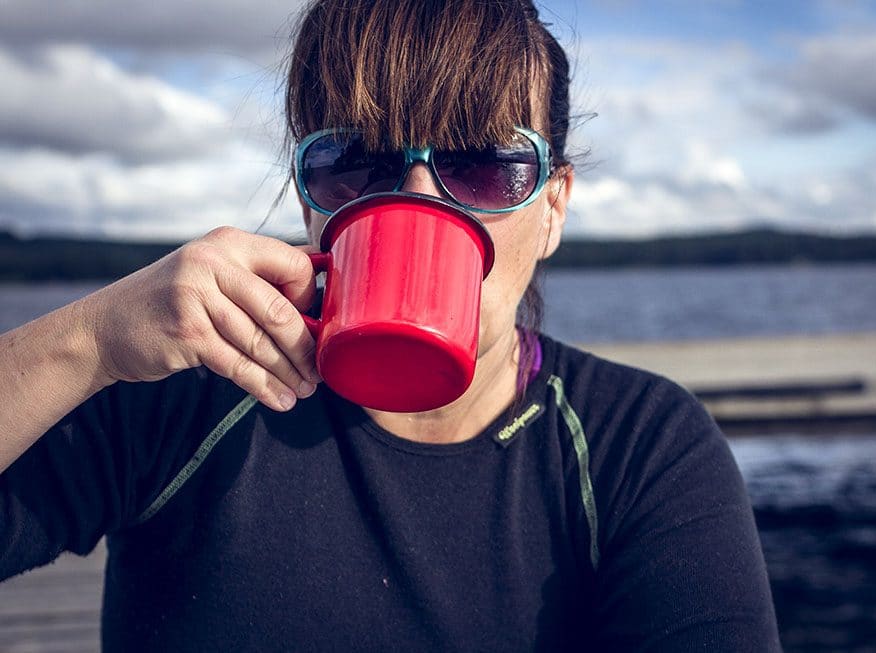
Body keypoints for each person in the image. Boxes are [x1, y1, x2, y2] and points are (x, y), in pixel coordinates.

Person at [0, 1, 781, 650]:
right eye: (355, 161)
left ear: (552, 206)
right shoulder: (183, 384)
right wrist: (93, 342)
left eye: (483, 162)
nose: (420, 200)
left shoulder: (639, 447)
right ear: (311, 202)